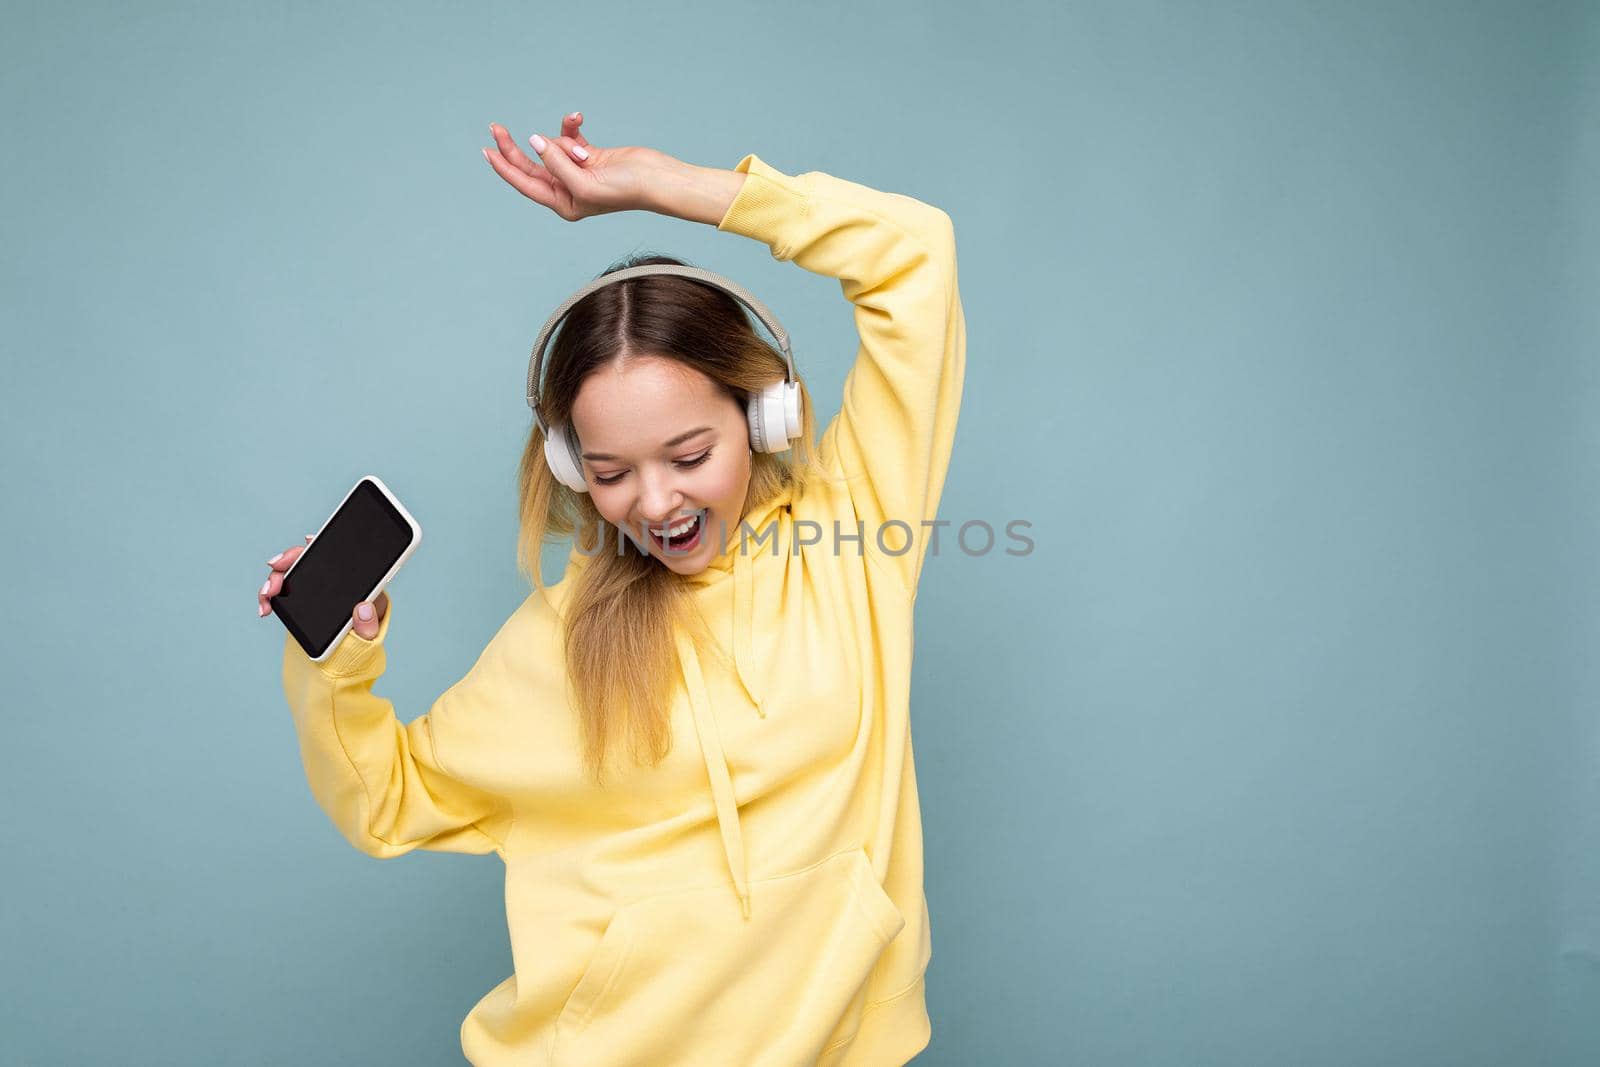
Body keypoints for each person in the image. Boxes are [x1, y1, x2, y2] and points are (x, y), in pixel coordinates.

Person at [257, 109, 965, 1067]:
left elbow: (916, 254)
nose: (658, 501)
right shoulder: (560, 642)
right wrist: (336, 658)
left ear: (761, 416)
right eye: (611, 470)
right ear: (566, 462)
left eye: (688, 453)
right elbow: (390, 799)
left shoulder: (849, 544)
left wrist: (669, 186)